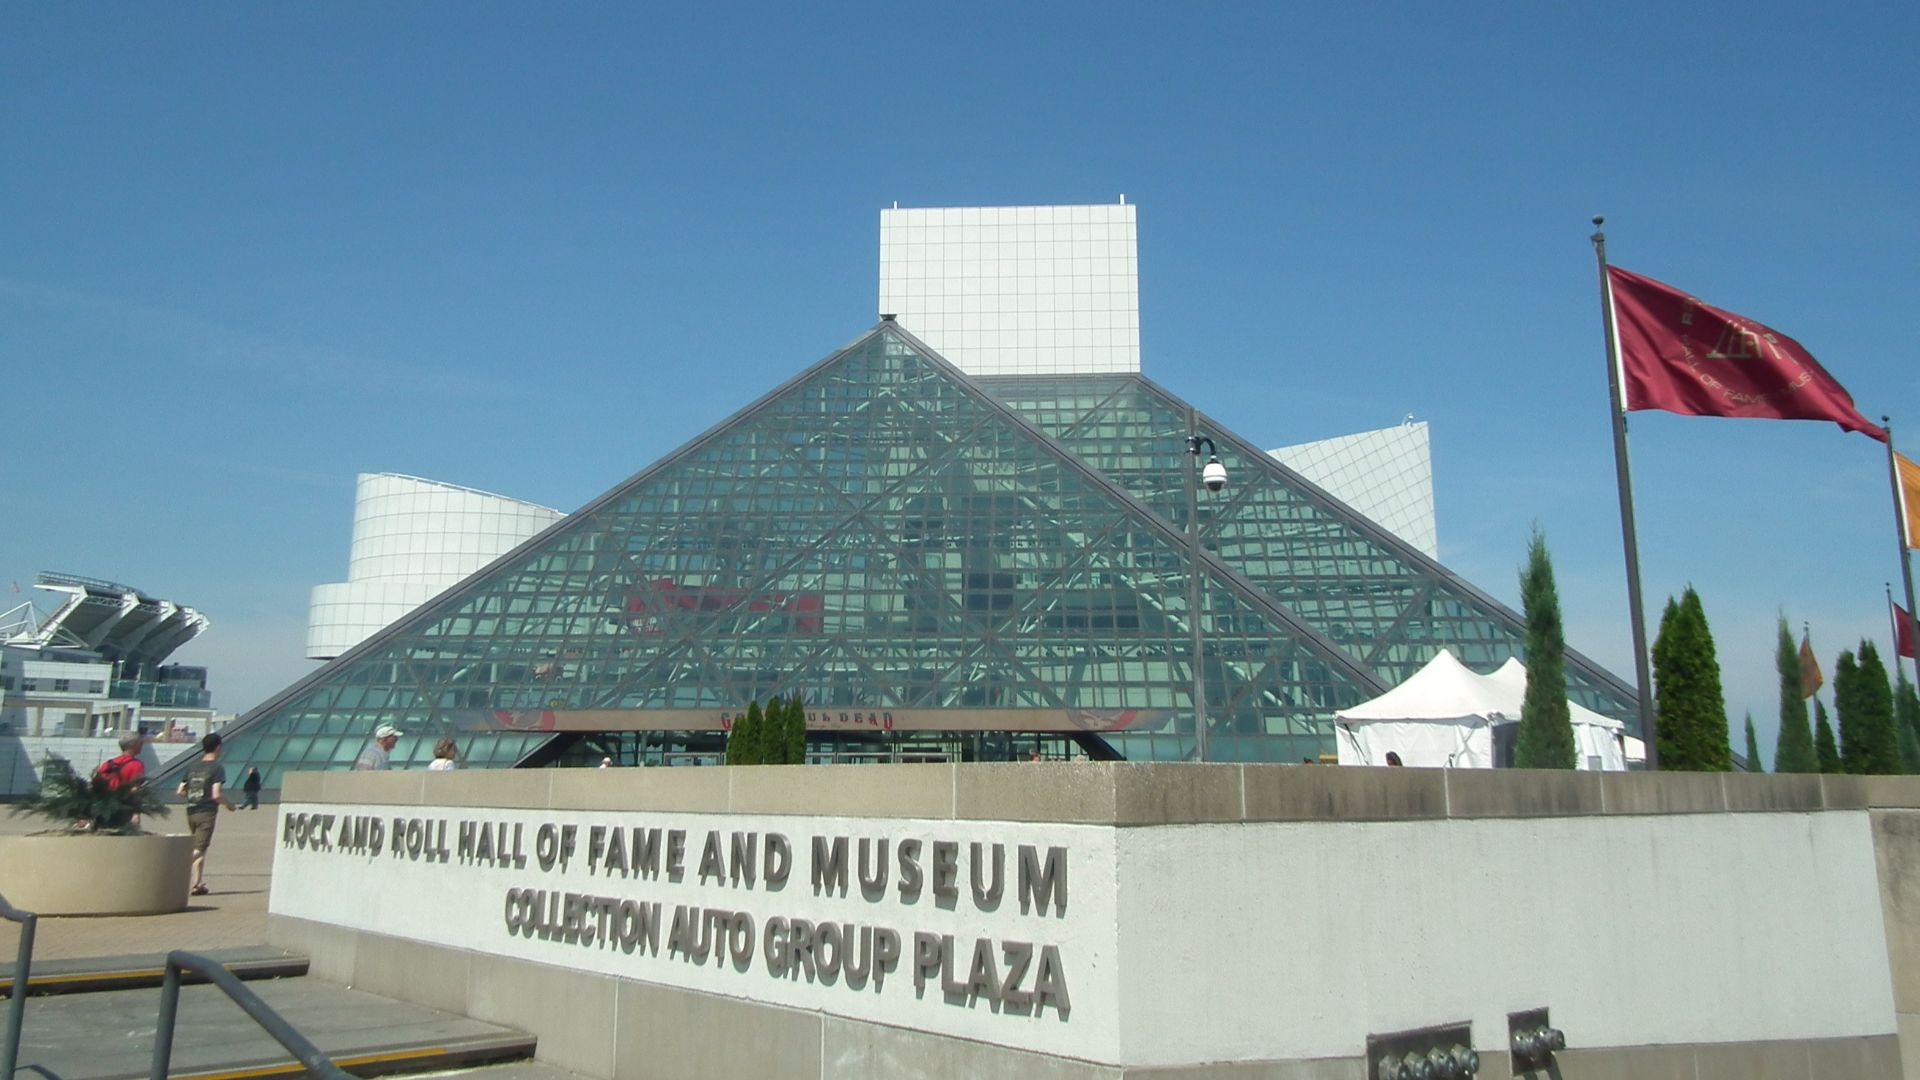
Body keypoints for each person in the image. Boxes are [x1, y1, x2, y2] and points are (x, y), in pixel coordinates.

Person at [177, 733, 238, 896]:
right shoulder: (217, 768)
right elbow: (216, 795)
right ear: (218, 747)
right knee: (199, 848)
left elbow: (180, 791)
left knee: (200, 848)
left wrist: (194, 796)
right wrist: (229, 805)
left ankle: (197, 884)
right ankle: (177, 865)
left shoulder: (192, 767)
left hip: (191, 811)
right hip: (206, 812)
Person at [92, 731, 148, 829]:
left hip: (104, 807)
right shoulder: (136, 765)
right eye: (140, 743)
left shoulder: (107, 764)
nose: (142, 745)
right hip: (124, 808)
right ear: (133, 745)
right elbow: (135, 790)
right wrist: (136, 813)